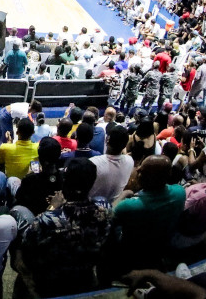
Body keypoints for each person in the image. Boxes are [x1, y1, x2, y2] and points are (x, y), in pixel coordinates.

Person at [14, 158, 113, 296]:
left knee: (19, 213)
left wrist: (53, 207)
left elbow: (28, 246)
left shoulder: (47, 219)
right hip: (83, 273)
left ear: (65, 181)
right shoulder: (105, 209)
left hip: (51, 280)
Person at [108, 155, 186, 276]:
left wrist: (123, 194)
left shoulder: (130, 205)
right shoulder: (180, 192)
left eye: (141, 171)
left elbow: (109, 214)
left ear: (148, 178)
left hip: (132, 247)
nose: (137, 169)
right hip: (160, 244)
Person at [89, 125, 133, 203]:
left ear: (107, 140)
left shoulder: (93, 163)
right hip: (115, 204)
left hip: (93, 207)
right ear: (125, 145)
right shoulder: (130, 161)